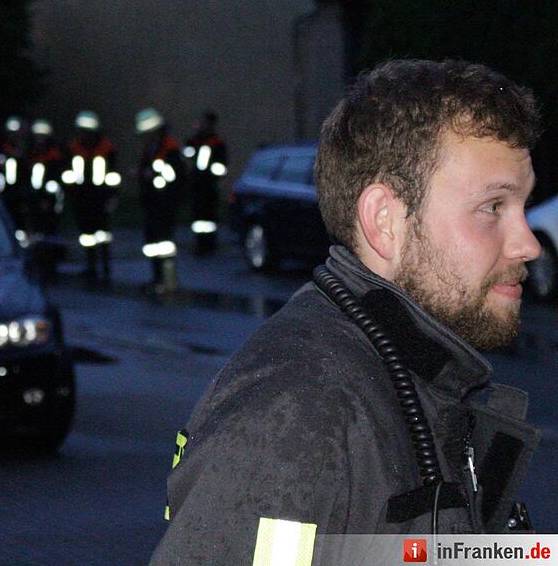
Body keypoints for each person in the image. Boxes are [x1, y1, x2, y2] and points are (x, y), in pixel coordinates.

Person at [152, 60, 542, 565]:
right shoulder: (300, 412)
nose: (528, 243)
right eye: (493, 207)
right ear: (385, 220)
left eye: (524, 207)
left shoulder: (413, 376)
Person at [63, 110, 121, 284]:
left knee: (103, 233)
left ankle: (105, 266)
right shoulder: (73, 148)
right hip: (82, 197)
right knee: (87, 235)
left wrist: (113, 196)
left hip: (101, 197)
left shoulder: (106, 148)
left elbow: (113, 174)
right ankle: (91, 266)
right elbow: (67, 172)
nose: (84, 134)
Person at [136, 108, 184, 293]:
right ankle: (158, 280)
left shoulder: (169, 147)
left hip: (165, 203)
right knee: (154, 243)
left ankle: (167, 282)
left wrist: (150, 174)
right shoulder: (152, 147)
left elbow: (175, 174)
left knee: (165, 244)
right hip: (152, 202)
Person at [184, 111, 227, 255]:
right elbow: (187, 153)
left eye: (204, 122)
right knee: (198, 217)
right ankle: (199, 244)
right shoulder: (195, 140)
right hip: (196, 185)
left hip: (209, 186)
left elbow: (222, 165)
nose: (201, 125)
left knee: (209, 217)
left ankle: (209, 244)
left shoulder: (217, 143)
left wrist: (214, 173)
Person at [26, 119, 65, 241]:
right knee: (35, 226)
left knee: (50, 227)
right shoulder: (31, 153)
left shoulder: (54, 154)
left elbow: (55, 178)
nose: (40, 139)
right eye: (37, 136)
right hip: (34, 197)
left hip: (51, 198)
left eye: (42, 136)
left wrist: (47, 199)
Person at [0, 115, 29, 243]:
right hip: (5, 194)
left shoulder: (28, 151)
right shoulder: (2, 151)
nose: (14, 136)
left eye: (17, 132)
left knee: (22, 223)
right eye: (11, 133)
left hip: (23, 194)